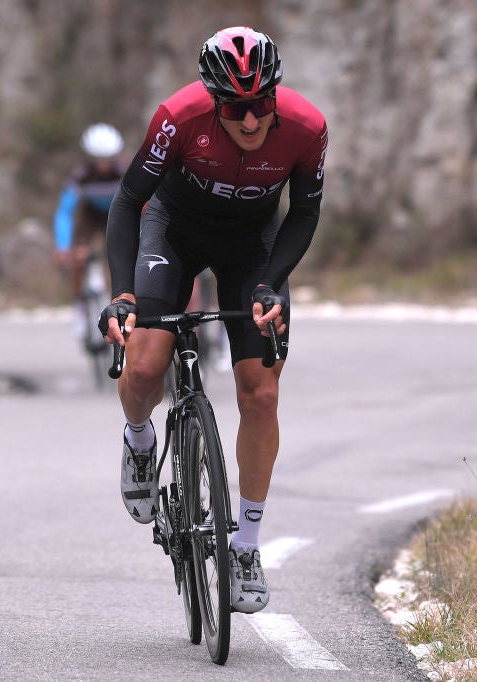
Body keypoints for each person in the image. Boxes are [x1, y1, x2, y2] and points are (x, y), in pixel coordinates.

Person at [99, 27, 329, 614]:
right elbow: (128, 203)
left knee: (263, 394)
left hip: (251, 244)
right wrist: (123, 294)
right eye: (235, 109)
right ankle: (140, 440)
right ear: (212, 99)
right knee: (146, 367)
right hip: (173, 231)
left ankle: (246, 545)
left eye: (260, 107)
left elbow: (303, 213)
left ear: (275, 95)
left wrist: (270, 284)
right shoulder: (177, 117)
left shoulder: (307, 127)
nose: (250, 123)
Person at [53, 123, 127, 337]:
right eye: (97, 160)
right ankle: (78, 305)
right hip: (90, 216)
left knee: (118, 260)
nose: (103, 165)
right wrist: (63, 247)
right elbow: (65, 212)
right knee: (78, 257)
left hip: (116, 214)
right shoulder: (80, 176)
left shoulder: (124, 172)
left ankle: (117, 302)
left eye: (108, 159)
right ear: (88, 158)